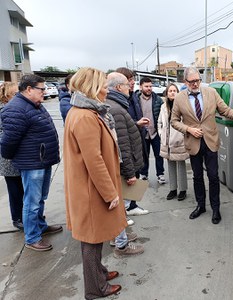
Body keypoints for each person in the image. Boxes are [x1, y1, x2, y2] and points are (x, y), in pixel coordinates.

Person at [63, 67, 127, 299]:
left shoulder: (84, 111)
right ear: (91, 87)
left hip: (89, 188)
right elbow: (94, 160)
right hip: (92, 190)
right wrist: (110, 193)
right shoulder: (85, 116)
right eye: (103, 85)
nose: (106, 89)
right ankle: (95, 289)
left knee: (94, 237)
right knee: (92, 239)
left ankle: (99, 273)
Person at [171, 67, 233, 224]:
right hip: (193, 142)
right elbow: (174, 121)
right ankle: (200, 206)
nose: (195, 84)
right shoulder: (179, 98)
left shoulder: (211, 93)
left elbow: (226, 111)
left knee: (213, 176)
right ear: (185, 82)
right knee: (197, 176)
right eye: (192, 82)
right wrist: (188, 129)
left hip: (211, 141)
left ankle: (216, 209)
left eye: (197, 80)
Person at [1, 74, 63, 250]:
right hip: (32, 163)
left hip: (42, 160)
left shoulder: (33, 104)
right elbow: (8, 142)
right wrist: (15, 158)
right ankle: (32, 237)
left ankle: (40, 226)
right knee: (32, 201)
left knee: (40, 198)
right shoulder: (16, 108)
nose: (45, 92)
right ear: (29, 89)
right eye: (41, 89)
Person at [105, 72, 146, 257]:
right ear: (118, 87)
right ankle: (121, 244)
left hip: (123, 167)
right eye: (126, 84)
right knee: (119, 206)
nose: (130, 87)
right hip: (123, 169)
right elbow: (122, 146)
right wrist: (130, 173)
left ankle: (118, 237)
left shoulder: (117, 105)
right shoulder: (116, 109)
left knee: (120, 206)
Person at [115, 67, 150, 216]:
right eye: (129, 80)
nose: (132, 82)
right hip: (127, 142)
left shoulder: (132, 96)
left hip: (136, 139)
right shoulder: (118, 102)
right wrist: (137, 123)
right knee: (127, 177)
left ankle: (132, 206)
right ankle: (124, 209)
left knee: (134, 173)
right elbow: (122, 125)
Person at [157, 83, 189, 201]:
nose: (172, 92)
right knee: (170, 165)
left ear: (178, 92)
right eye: (170, 91)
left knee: (181, 165)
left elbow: (186, 123)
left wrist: (182, 136)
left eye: (174, 90)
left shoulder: (182, 105)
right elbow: (159, 123)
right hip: (166, 142)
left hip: (179, 140)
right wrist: (161, 134)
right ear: (166, 93)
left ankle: (182, 190)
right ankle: (173, 189)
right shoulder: (163, 107)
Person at [0, 82, 24, 230]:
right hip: (8, 158)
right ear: (6, 96)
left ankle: (25, 215)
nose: (19, 96)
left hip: (17, 155)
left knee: (23, 188)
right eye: (15, 94)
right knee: (15, 189)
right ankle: (17, 218)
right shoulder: (3, 111)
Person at [136, 77, 165, 184]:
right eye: (146, 86)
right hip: (143, 133)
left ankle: (160, 174)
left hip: (156, 132)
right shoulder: (136, 100)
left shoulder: (158, 100)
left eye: (150, 86)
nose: (149, 88)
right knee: (144, 155)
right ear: (141, 87)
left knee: (159, 154)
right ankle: (144, 174)